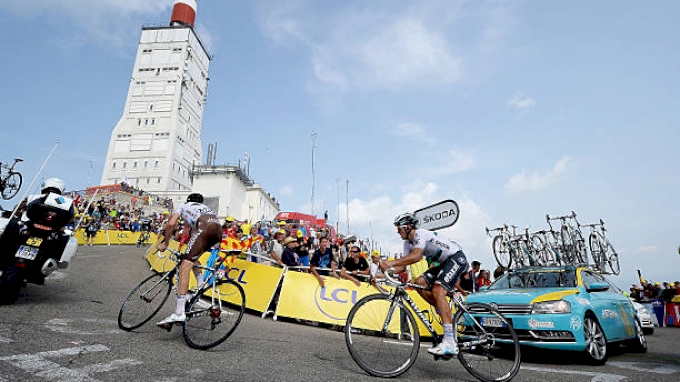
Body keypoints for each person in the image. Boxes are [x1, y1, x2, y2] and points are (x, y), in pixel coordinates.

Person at [380, 212, 468, 356]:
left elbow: (415, 257)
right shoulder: (407, 243)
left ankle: (450, 342)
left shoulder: (419, 234)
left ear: (408, 227)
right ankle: (444, 311)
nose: (397, 231)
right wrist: (381, 273)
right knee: (419, 282)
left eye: (399, 228)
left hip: (456, 257)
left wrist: (389, 263)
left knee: (438, 290)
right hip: (444, 262)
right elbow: (402, 267)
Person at [156, 193, 222, 326]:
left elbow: (171, 224)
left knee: (184, 268)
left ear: (188, 201)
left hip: (205, 229)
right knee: (191, 258)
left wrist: (166, 243)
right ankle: (200, 284)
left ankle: (179, 313)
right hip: (218, 231)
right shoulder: (205, 208)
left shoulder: (183, 206)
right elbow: (193, 235)